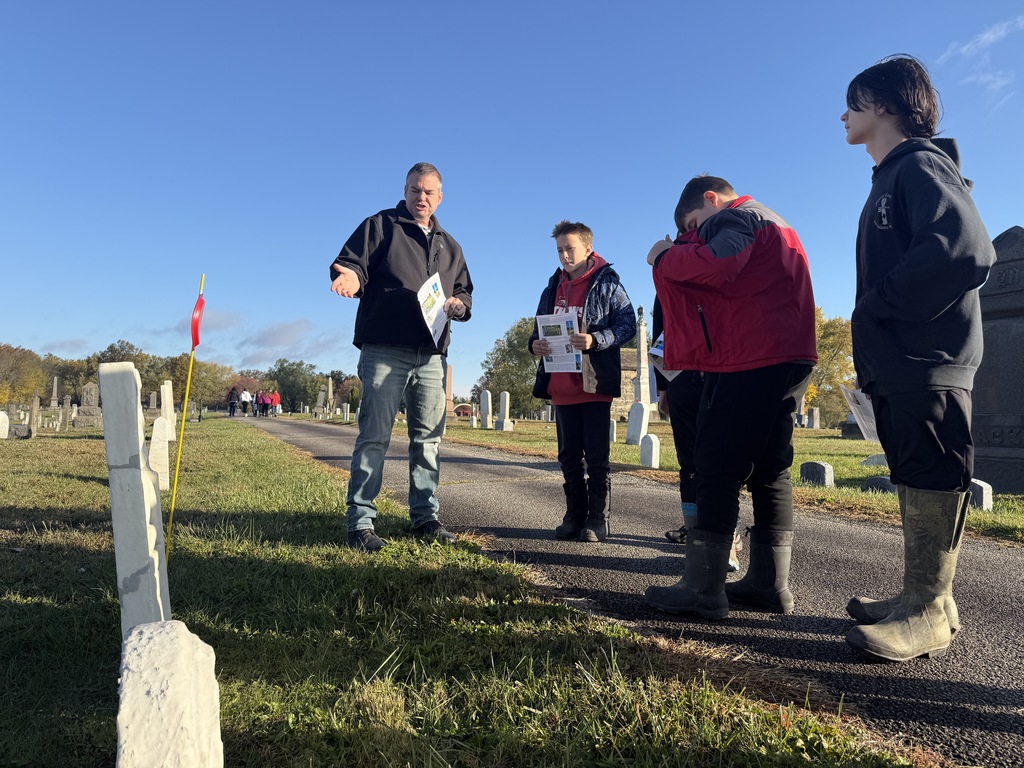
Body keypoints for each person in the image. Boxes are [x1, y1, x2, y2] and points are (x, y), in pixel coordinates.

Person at [840, 56, 996, 662]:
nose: (843, 115)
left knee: (932, 472)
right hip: (902, 362)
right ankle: (923, 598)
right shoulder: (889, 176)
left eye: (853, 102)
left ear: (884, 104)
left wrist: (878, 304)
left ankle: (928, 611)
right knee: (913, 472)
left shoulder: (921, 165)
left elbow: (965, 250)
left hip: (930, 358)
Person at [643, 175, 817, 619]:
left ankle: (703, 588)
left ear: (711, 199)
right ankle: (769, 584)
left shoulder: (735, 217)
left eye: (694, 225)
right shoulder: (774, 220)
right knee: (770, 467)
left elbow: (718, 265)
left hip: (751, 354)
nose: (695, 235)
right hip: (791, 353)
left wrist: (664, 255)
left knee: (715, 465)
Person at [329, 162, 473, 553]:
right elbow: (353, 263)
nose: (421, 197)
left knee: (428, 440)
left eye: (428, 192)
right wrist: (351, 277)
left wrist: (459, 305)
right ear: (405, 190)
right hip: (384, 348)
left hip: (431, 354)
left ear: (440, 196)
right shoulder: (380, 226)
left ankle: (425, 518)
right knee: (374, 436)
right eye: (414, 190)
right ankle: (361, 522)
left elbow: (464, 291)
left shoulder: (450, 246)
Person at [529, 220, 636, 542]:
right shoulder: (552, 287)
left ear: (588, 248)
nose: (565, 255)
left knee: (597, 457)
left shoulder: (608, 283)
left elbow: (628, 324)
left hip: (593, 384)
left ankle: (598, 519)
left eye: (570, 248)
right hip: (560, 384)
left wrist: (596, 340)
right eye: (560, 250)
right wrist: (535, 344)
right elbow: (537, 329)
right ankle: (574, 515)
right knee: (568, 456)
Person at [651, 294, 742, 572]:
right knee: (688, 463)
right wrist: (663, 387)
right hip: (681, 379)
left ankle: (726, 537)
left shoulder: (721, 266)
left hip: (722, 373)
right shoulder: (667, 273)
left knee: (720, 461)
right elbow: (660, 329)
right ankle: (694, 533)